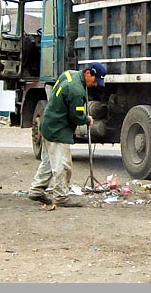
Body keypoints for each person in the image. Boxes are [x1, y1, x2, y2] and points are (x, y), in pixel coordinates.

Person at [28, 62, 106, 207]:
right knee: (63, 166)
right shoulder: (76, 90)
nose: (95, 84)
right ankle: (61, 197)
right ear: (88, 73)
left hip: (48, 124)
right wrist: (87, 119)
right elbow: (76, 116)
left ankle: (36, 190)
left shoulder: (69, 74)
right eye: (95, 80)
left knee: (48, 162)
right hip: (58, 130)